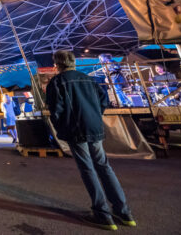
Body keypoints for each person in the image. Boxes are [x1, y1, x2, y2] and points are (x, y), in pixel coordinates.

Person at [46, 50, 135, 231]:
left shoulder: (57, 82)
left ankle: (102, 214)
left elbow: (56, 111)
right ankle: (124, 213)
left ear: (58, 64)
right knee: (104, 166)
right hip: (94, 128)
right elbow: (103, 101)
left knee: (87, 168)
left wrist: (62, 127)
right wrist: (94, 117)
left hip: (75, 130)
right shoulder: (89, 79)